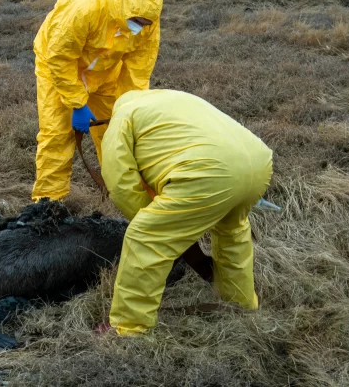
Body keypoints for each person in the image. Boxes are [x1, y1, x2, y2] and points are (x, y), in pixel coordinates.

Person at [100, 89, 274, 336]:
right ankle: (241, 303)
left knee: (146, 238)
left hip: (209, 171)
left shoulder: (123, 116)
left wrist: (153, 219)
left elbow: (120, 183)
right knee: (232, 231)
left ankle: (129, 328)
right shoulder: (177, 99)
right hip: (258, 162)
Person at [31, 0, 164, 202]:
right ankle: (48, 204)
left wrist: (129, 108)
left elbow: (138, 70)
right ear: (124, 8)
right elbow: (59, 57)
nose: (139, 27)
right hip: (59, 68)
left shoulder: (148, 23)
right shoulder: (84, 9)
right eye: (135, 21)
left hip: (105, 71)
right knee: (57, 134)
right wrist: (77, 103)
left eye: (144, 23)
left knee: (117, 134)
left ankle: (126, 196)